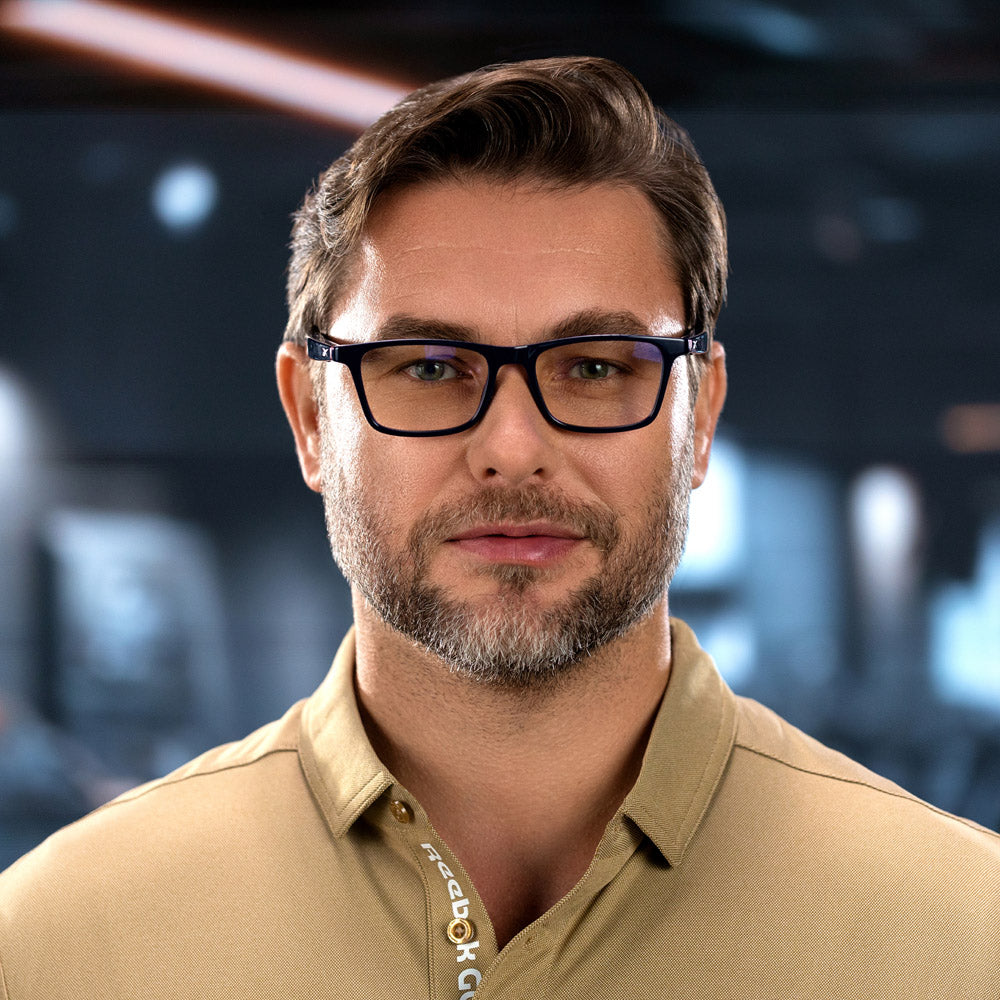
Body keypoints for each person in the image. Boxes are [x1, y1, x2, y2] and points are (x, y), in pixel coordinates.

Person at [0, 55, 997, 999]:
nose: (511, 446)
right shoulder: (60, 945)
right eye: (430, 368)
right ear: (310, 418)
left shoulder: (963, 935)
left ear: (700, 418)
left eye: (597, 366)